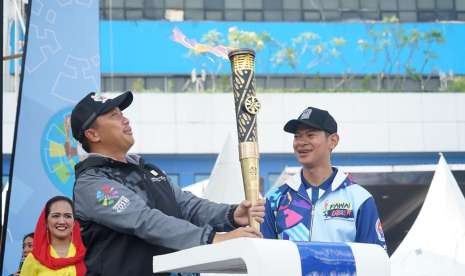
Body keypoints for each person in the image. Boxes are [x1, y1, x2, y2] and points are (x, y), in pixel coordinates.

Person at [70, 91, 265, 276]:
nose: (125, 119)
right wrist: (212, 239)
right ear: (93, 135)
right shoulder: (92, 184)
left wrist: (231, 214)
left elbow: (187, 206)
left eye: (122, 113)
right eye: (114, 115)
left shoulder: (149, 170)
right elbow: (145, 221)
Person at [261, 107, 386, 249]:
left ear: (333, 141)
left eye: (310, 135)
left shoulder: (359, 198)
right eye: (297, 136)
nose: (301, 142)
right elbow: (265, 257)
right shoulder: (274, 198)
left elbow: (375, 257)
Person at [20, 196, 86, 275]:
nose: (62, 221)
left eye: (67, 216)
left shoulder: (86, 254)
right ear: (46, 222)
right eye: (56, 216)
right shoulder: (34, 258)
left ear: (74, 222)